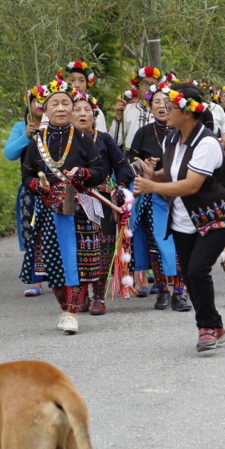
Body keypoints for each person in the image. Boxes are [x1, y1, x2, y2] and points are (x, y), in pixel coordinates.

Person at [133, 84, 225, 352]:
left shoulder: (207, 142)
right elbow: (171, 173)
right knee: (190, 277)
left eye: (170, 105)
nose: (163, 109)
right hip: (181, 221)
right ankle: (216, 325)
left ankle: (206, 329)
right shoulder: (170, 138)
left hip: (212, 219)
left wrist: (151, 187)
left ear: (188, 111)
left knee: (197, 270)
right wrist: (152, 174)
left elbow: (190, 185)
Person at [19, 78, 103, 334]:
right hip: (48, 208)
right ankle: (64, 308)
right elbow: (26, 176)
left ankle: (72, 312)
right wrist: (37, 184)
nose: (61, 108)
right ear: (44, 109)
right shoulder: (35, 143)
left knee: (79, 262)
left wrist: (83, 174)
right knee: (55, 262)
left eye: (66, 103)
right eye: (54, 103)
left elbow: (100, 170)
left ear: (72, 108)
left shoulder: (84, 139)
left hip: (79, 206)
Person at [127, 84, 191, 312]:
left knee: (180, 243)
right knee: (158, 245)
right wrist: (145, 167)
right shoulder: (143, 133)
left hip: (182, 196)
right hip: (154, 198)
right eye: (156, 102)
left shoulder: (185, 132)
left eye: (167, 102)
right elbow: (129, 161)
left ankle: (180, 293)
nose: (162, 106)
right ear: (150, 107)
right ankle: (162, 291)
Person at [72, 91, 133, 315]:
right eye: (77, 109)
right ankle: (82, 296)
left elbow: (122, 166)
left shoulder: (104, 139)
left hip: (103, 198)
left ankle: (99, 297)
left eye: (87, 110)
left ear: (94, 115)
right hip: (74, 201)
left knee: (104, 247)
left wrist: (122, 188)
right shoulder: (63, 143)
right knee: (79, 249)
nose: (82, 114)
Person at [5, 88, 47, 297]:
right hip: (31, 188)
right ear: (28, 103)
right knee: (32, 233)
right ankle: (35, 281)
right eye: (35, 100)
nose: (39, 104)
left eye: (43, 100)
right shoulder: (21, 127)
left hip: (55, 186)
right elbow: (9, 153)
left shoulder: (57, 126)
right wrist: (26, 136)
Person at [110, 67, 163, 150]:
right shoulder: (127, 109)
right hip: (130, 158)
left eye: (153, 83)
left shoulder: (163, 110)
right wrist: (119, 115)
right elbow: (114, 142)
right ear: (137, 88)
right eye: (144, 84)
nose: (148, 87)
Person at [63, 61, 107, 132]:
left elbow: (100, 139)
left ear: (87, 84)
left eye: (81, 80)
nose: (77, 85)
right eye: (72, 80)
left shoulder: (96, 111)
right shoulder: (53, 108)